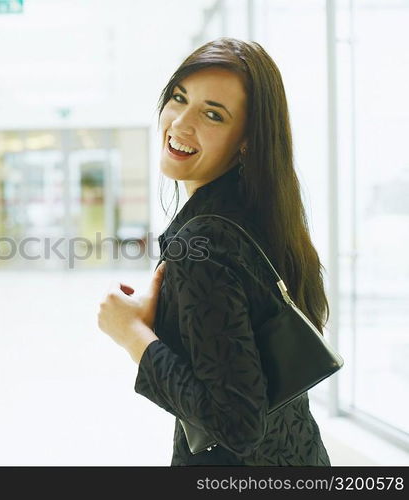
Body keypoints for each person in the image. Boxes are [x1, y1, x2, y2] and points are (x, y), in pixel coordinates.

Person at [97, 37, 332, 466]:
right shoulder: (262, 216)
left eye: (212, 114)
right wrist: (170, 311)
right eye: (178, 98)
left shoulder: (201, 243)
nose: (180, 124)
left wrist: (131, 333)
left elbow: (236, 424)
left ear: (247, 140)